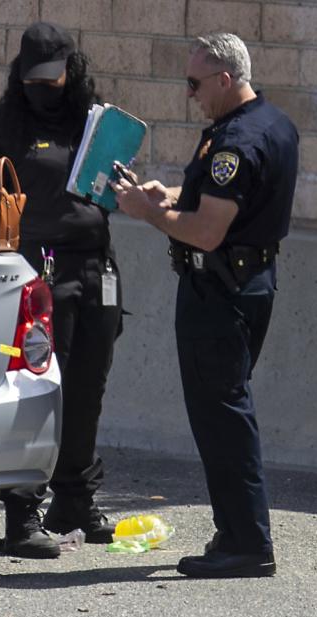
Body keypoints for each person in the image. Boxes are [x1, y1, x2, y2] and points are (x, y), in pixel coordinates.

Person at [112, 33, 299, 578]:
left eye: (195, 83)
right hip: (250, 283)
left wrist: (146, 214)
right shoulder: (271, 123)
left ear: (224, 79)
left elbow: (210, 232)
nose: (189, 93)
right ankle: (237, 530)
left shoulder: (235, 143)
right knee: (226, 410)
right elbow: (234, 208)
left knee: (222, 417)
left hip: (219, 292)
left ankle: (246, 542)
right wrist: (170, 197)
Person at [0, 22, 123, 559]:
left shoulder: (92, 124)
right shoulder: (4, 125)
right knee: (40, 390)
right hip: (40, 268)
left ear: (70, 73)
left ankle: (75, 499)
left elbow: (110, 191)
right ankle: (23, 510)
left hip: (96, 265)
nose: (43, 88)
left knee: (87, 388)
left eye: (52, 78)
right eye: (34, 79)